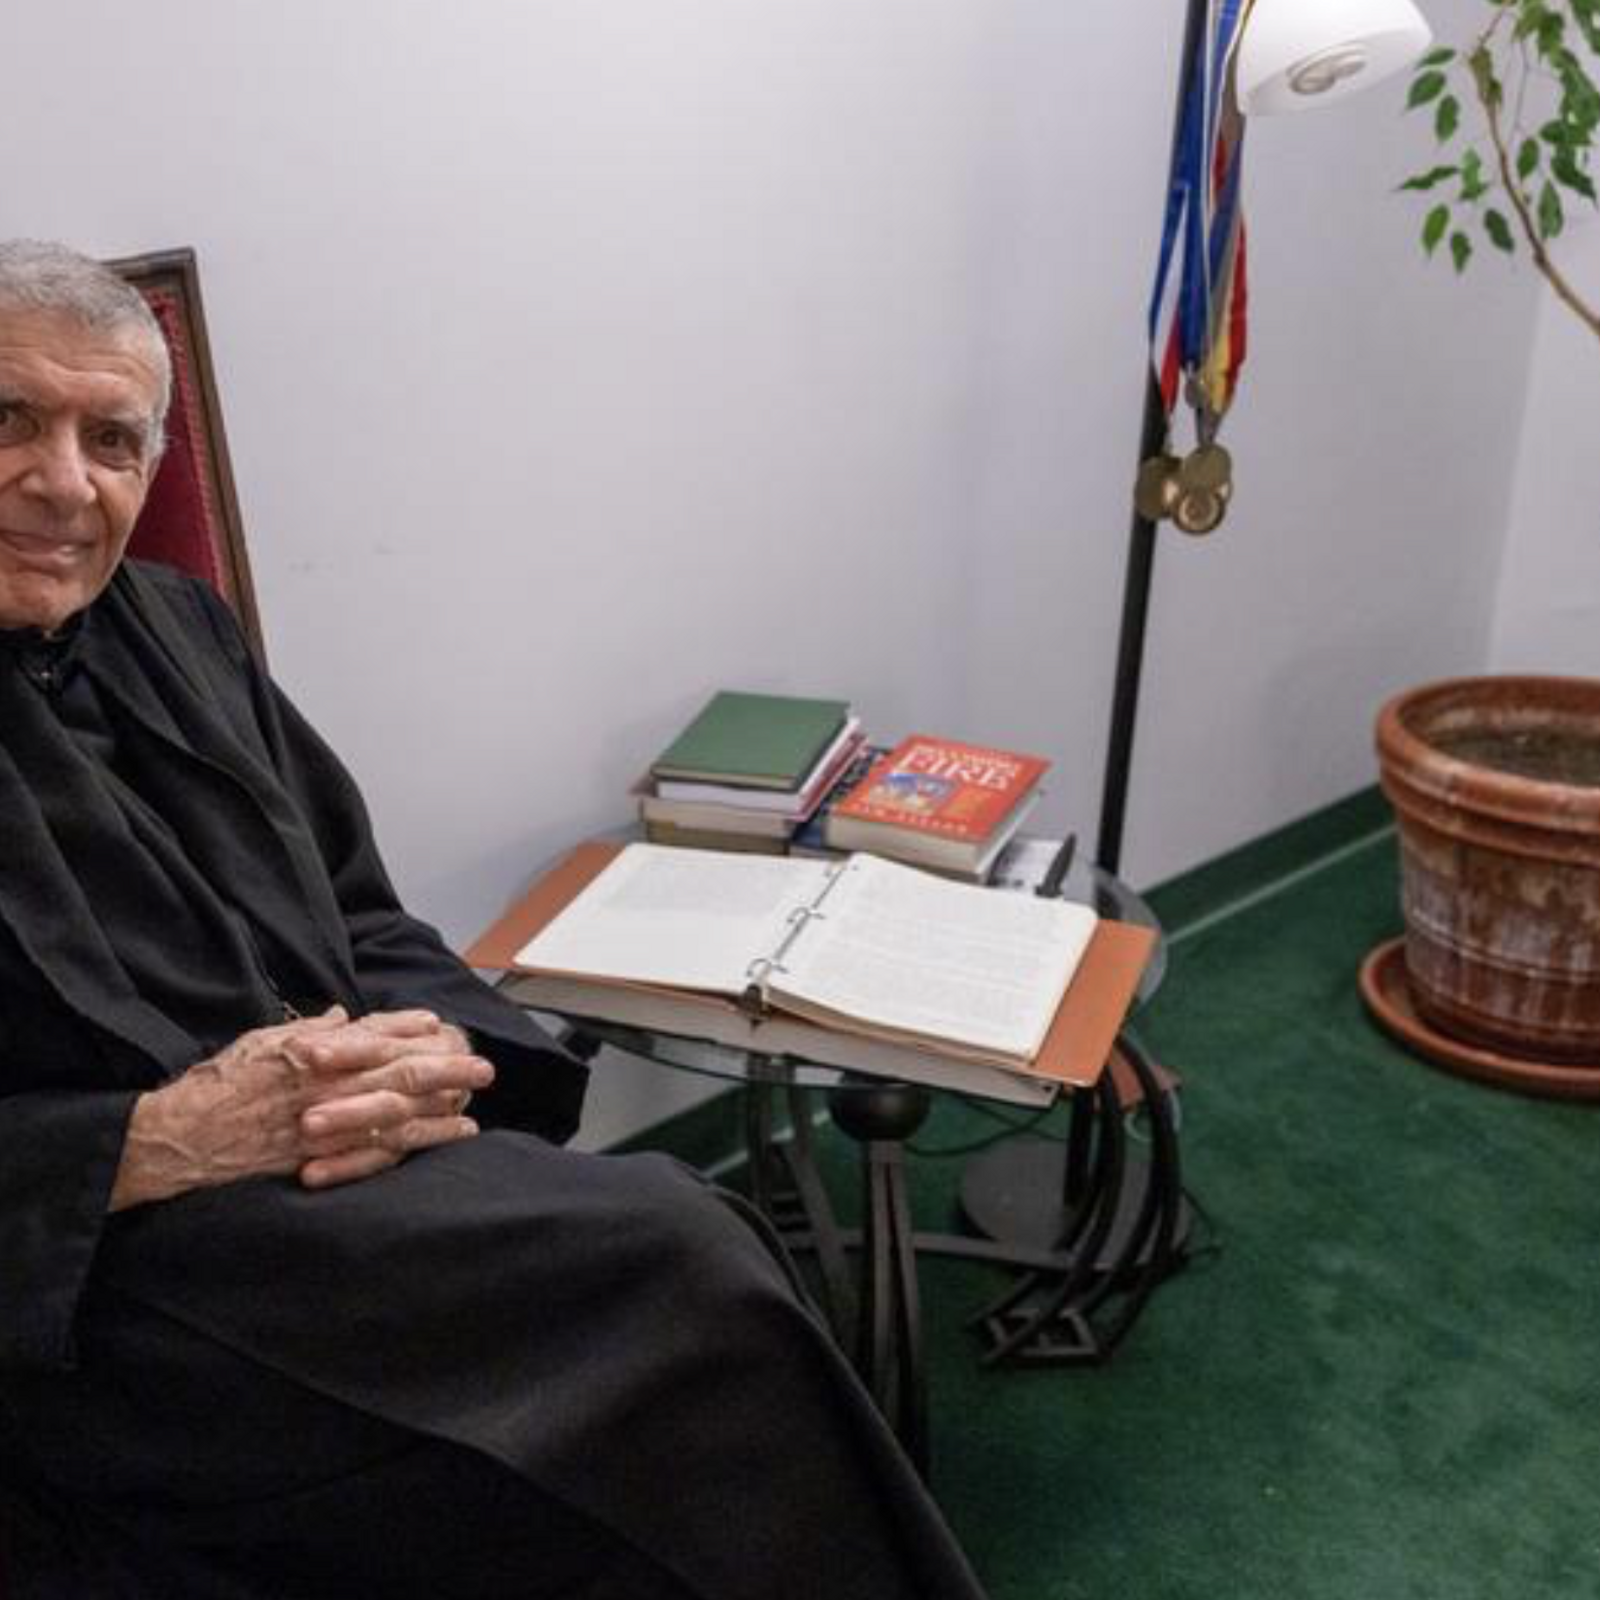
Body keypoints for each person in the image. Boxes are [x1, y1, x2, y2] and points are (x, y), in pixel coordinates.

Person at [0, 240, 988, 1600]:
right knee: (682, 1273)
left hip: (342, 1164)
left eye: (111, 441)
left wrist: (445, 1058)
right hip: (103, 1278)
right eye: (11, 420)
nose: (63, 483)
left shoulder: (178, 623)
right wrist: (154, 1143)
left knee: (697, 1259)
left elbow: (357, 905)